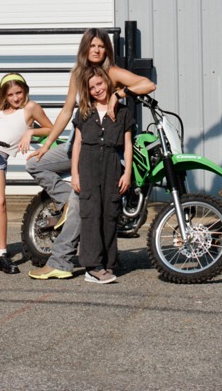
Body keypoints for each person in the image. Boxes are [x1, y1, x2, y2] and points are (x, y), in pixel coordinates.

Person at [21, 28, 154, 280]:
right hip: (77, 144)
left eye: (101, 46)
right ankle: (68, 197)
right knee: (35, 165)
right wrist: (47, 144)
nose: (97, 50)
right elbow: (65, 111)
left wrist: (119, 93)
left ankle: (60, 260)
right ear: (85, 48)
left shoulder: (112, 73)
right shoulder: (78, 74)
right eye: (92, 46)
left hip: (101, 153)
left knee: (81, 207)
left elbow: (148, 84)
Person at [0, 72, 53, 274]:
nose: (16, 98)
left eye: (19, 92)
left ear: (25, 91)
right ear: (3, 96)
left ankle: (1, 255)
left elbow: (51, 128)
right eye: (10, 94)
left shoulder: (31, 108)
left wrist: (31, 131)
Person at [71, 64, 133, 284]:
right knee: (91, 214)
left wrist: (127, 174)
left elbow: (127, 145)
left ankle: (108, 262)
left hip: (112, 164)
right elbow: (77, 144)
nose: (97, 89)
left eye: (99, 83)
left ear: (107, 82)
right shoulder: (84, 112)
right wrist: (75, 174)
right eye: (92, 87)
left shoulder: (123, 112)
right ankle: (92, 266)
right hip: (88, 163)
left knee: (110, 213)